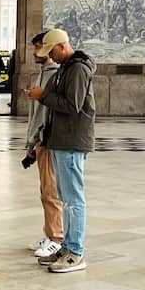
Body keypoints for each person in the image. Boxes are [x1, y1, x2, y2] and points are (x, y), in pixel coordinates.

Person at [27, 28, 96, 274]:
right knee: (65, 199)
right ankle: (66, 246)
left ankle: (75, 252)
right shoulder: (66, 67)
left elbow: (73, 105)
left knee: (73, 200)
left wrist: (42, 96)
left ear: (62, 46)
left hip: (72, 140)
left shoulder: (77, 68)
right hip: (61, 139)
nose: (50, 57)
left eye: (51, 51)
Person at [23, 31, 63, 262]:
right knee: (45, 191)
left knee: (51, 191)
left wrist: (35, 139)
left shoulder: (53, 75)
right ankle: (50, 235)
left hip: (47, 139)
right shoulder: (44, 74)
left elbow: (45, 113)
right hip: (40, 139)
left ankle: (56, 239)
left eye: (37, 47)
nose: (34, 52)